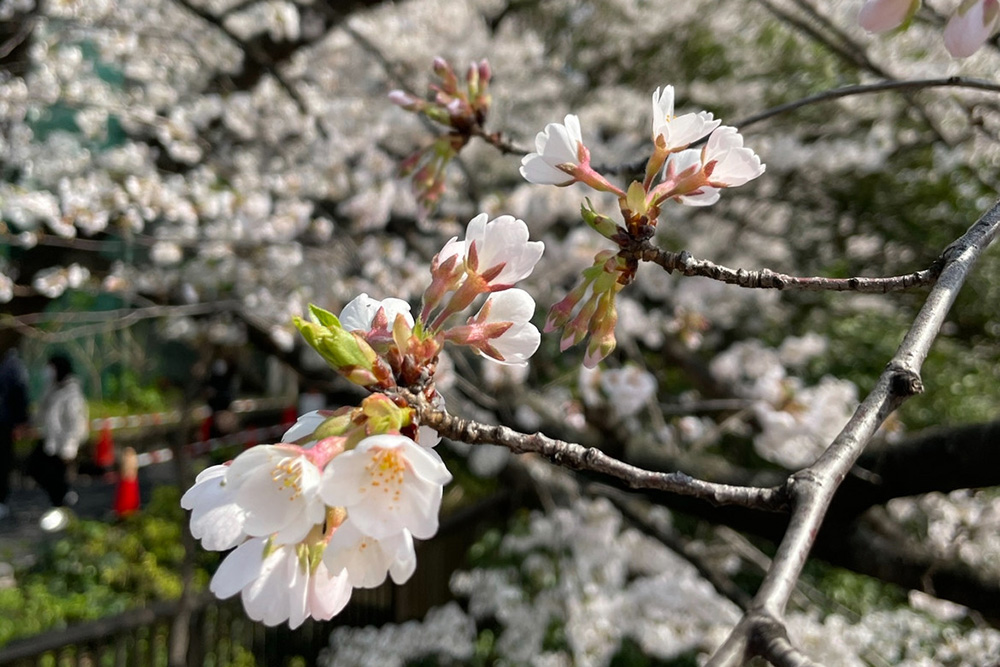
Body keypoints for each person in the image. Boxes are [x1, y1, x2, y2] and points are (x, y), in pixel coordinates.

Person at [29, 353, 89, 532]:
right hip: (50, 441)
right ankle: (62, 500)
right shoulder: (52, 387)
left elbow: (75, 423)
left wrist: (69, 448)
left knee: (56, 477)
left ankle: (62, 511)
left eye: (51, 367)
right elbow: (43, 409)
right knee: (35, 469)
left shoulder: (72, 392)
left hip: (62, 445)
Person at [0, 346, 29, 521]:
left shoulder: (12, 365)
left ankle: (1, 500)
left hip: (3, 423)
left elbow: (19, 393)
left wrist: (20, 421)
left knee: (2, 462)